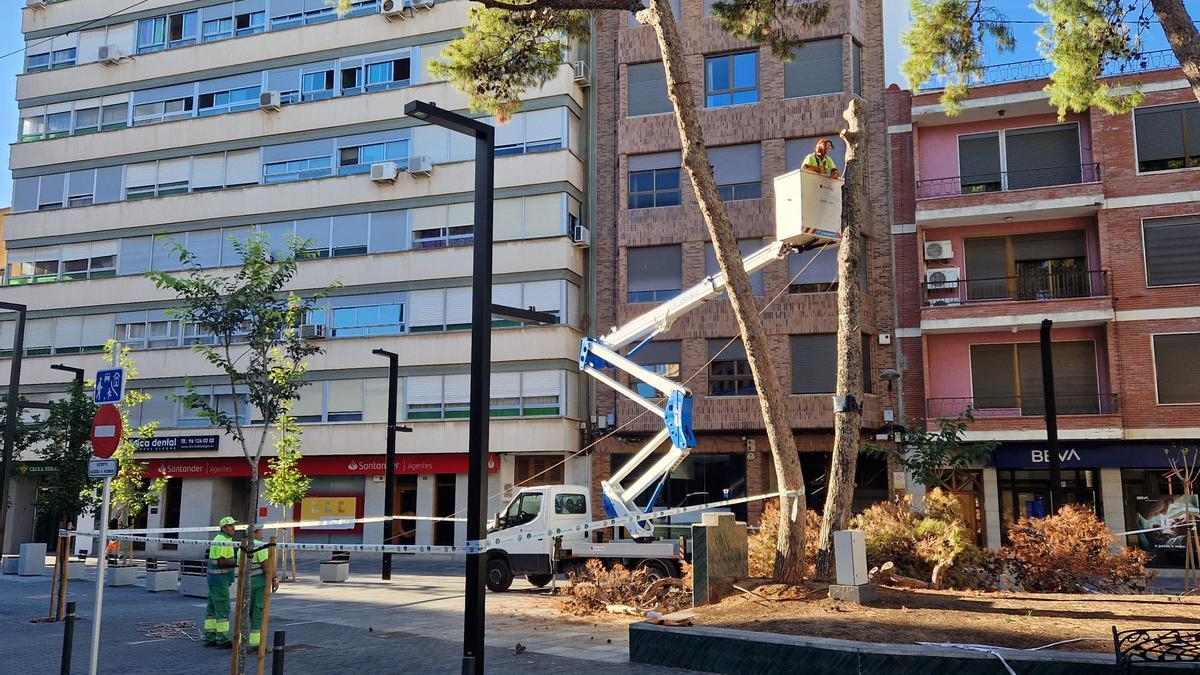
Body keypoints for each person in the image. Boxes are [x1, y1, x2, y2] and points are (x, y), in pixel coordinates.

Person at [204, 516, 238, 648]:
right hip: (219, 580)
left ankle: (210, 637)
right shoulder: (222, 540)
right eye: (229, 525)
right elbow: (222, 561)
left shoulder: (223, 539)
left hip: (215, 579)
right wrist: (238, 562)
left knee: (212, 608)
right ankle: (222, 639)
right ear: (223, 527)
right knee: (223, 609)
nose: (233, 527)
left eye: (233, 525)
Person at [246, 524, 278, 650]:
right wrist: (274, 579)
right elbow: (266, 566)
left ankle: (243, 643)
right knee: (258, 614)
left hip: (245, 584)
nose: (262, 533)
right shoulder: (260, 546)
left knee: (248, 613)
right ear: (255, 533)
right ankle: (255, 645)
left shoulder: (242, 546)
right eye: (260, 531)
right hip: (258, 584)